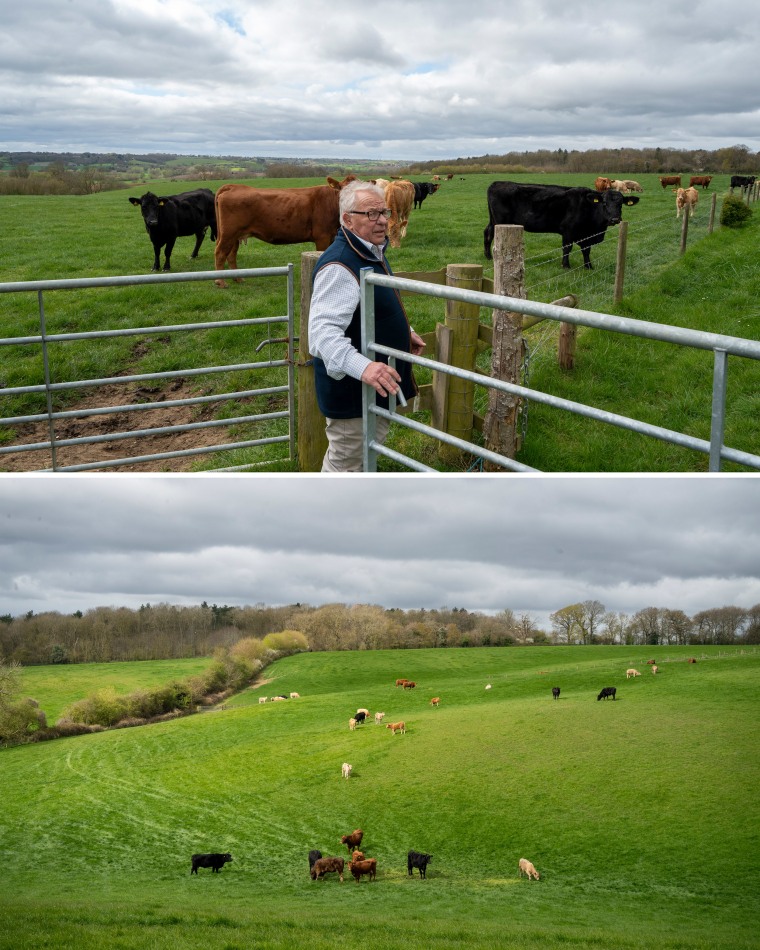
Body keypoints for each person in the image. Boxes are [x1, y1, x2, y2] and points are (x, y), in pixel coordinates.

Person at [308, 180, 426, 472]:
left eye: (384, 212)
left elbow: (366, 308)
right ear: (347, 219)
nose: (383, 220)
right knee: (347, 466)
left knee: (362, 459)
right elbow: (323, 336)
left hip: (370, 391)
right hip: (353, 396)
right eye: (371, 214)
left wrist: (402, 333)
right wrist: (365, 367)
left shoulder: (368, 251)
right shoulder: (340, 265)